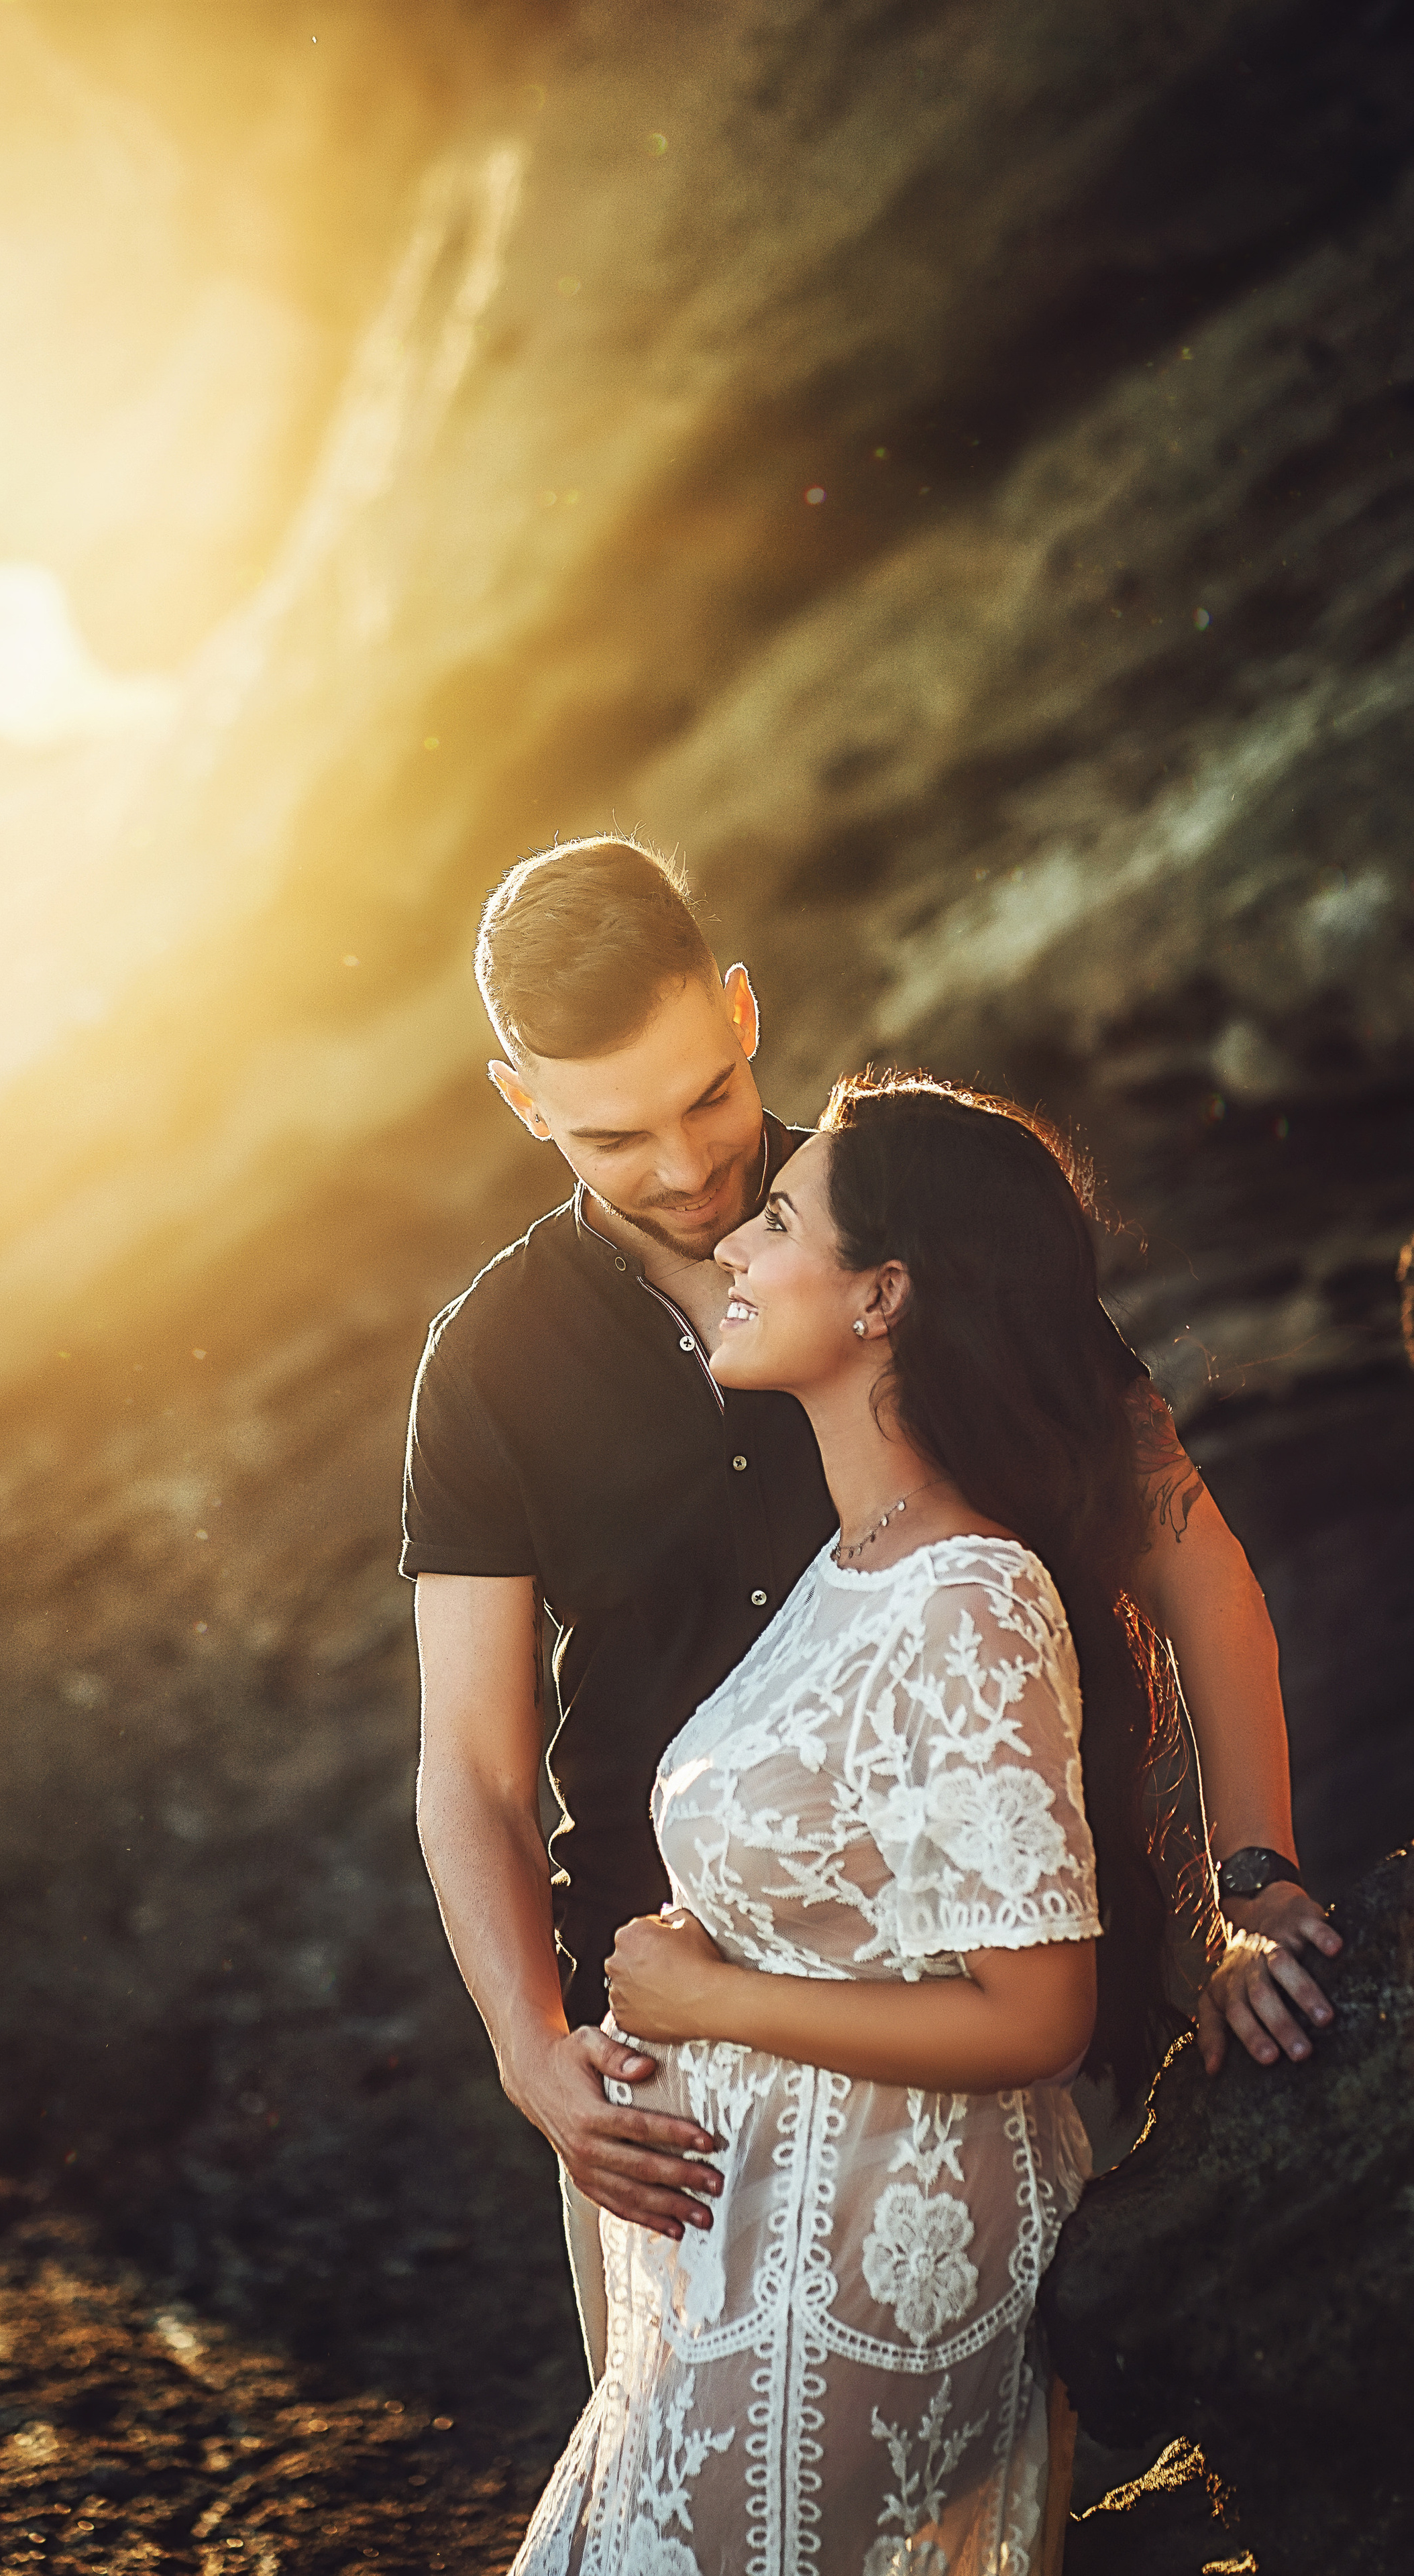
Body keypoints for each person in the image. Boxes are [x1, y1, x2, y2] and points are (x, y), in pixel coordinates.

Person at [404, 837, 1337, 2385]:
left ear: (742, 1005)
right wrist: (532, 2061)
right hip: (667, 2076)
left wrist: (1246, 1884)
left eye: (705, 1095)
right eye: (612, 1136)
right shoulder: (487, 1363)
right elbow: (475, 1771)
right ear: (520, 1101)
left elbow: (1191, 1564)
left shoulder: (909, 1213)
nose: (693, 1170)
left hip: (1030, 1989)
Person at [509, 1075, 1168, 2570]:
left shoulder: (970, 1597)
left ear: (881, 1295)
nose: (733, 1248)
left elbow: (1036, 2011)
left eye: (780, 1221)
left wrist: (707, 1993)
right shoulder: (855, 1561)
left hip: (869, 2274)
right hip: (751, 2262)